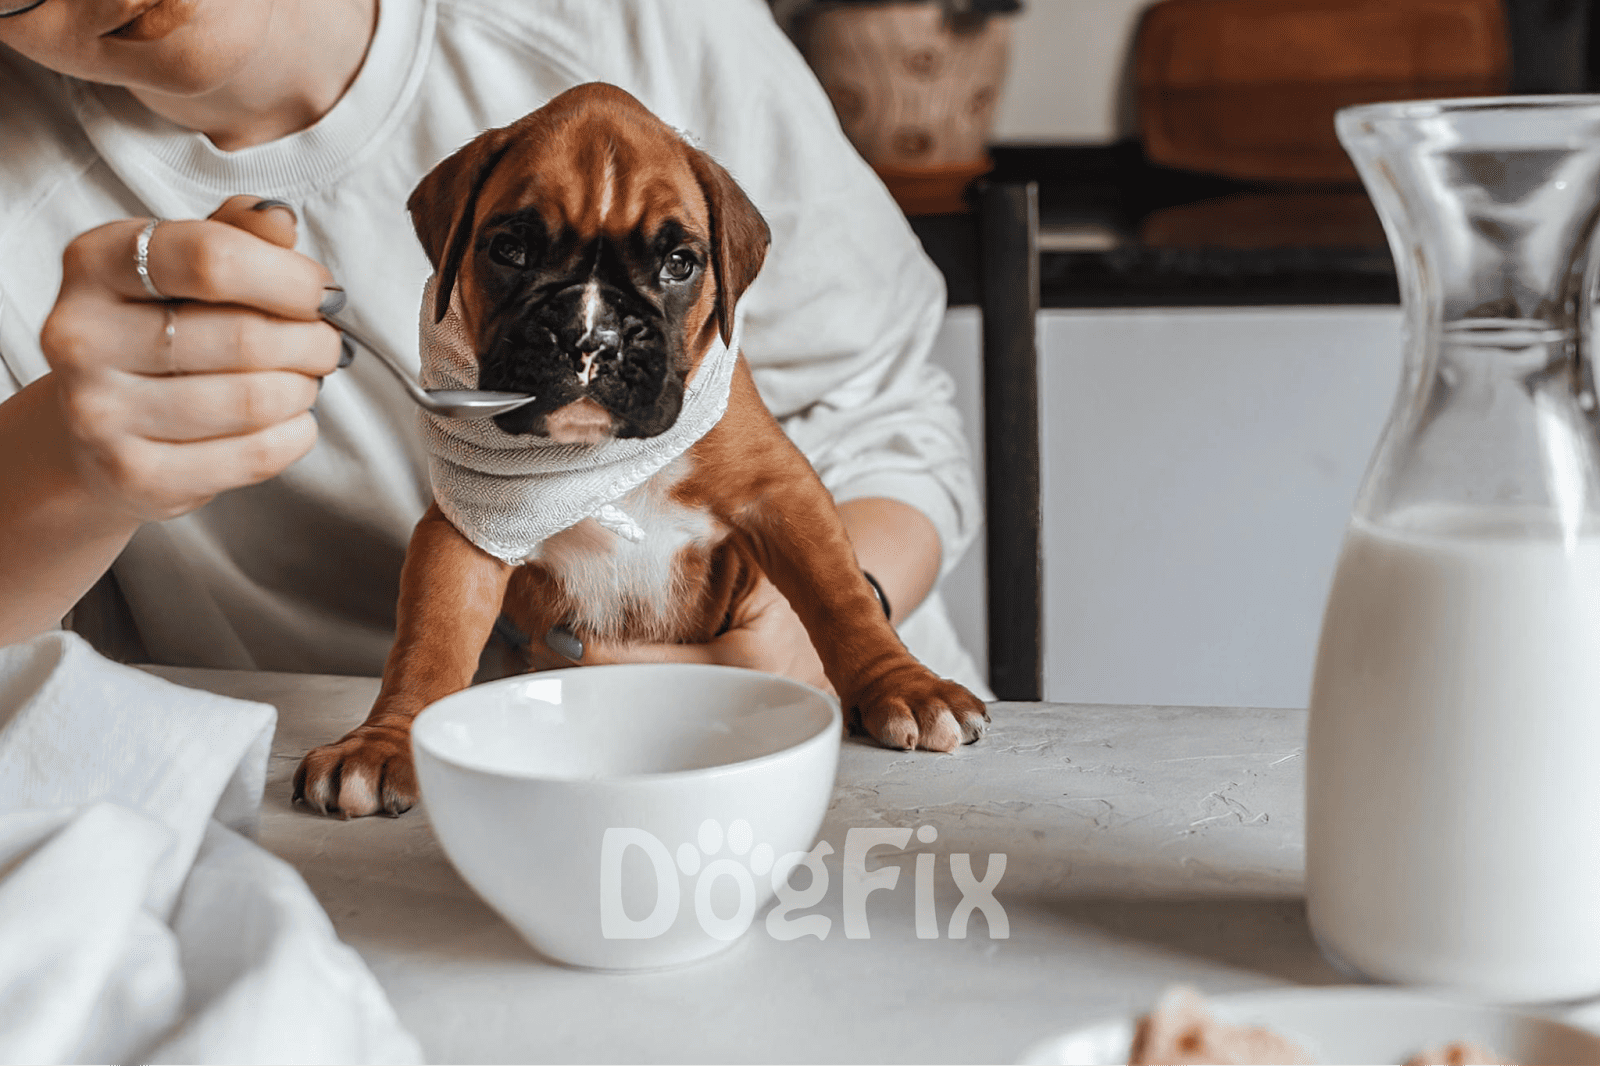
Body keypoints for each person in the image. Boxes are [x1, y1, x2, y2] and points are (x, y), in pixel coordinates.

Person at [0, 0, 992, 699]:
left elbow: (894, 410)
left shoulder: (645, 19)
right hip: (360, 831)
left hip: (824, 751)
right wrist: (63, 462)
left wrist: (821, 641)